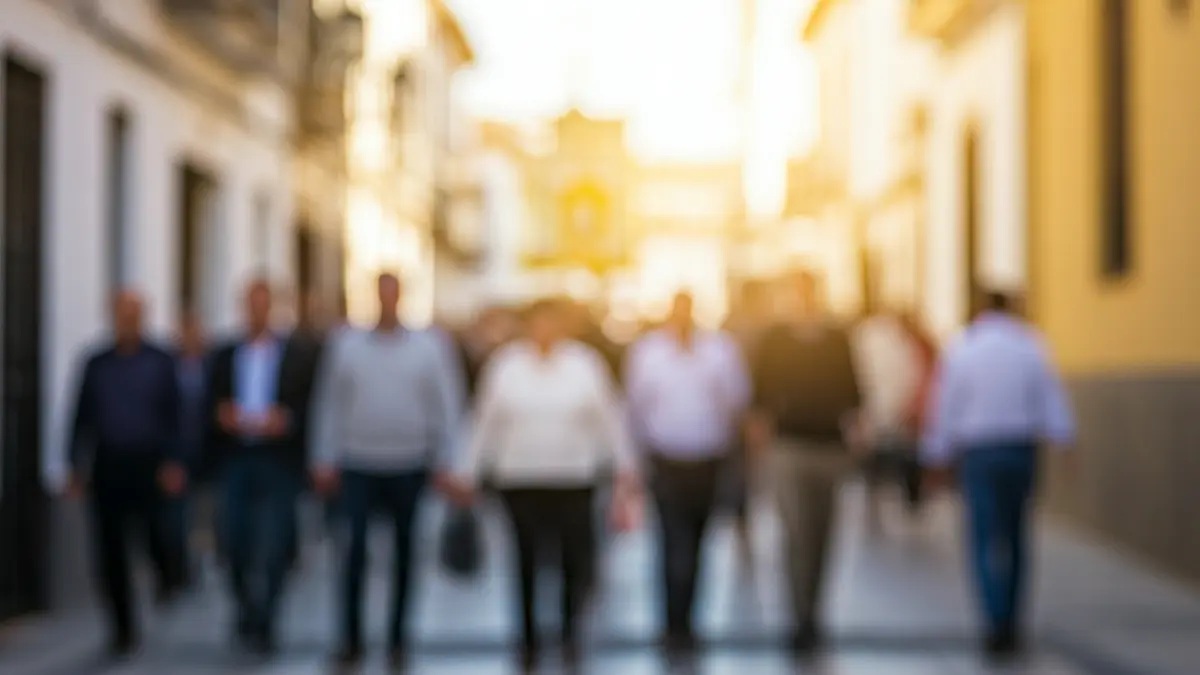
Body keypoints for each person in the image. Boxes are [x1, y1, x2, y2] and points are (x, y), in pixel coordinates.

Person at [456, 298, 638, 673]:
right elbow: (485, 420)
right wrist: (467, 471)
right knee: (526, 560)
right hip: (520, 479)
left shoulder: (585, 364)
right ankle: (528, 637)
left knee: (573, 559)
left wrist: (624, 465)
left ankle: (570, 632)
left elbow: (609, 418)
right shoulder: (505, 366)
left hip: (573, 477)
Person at [309, 272, 465, 671]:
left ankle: (398, 639)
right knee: (353, 552)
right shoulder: (346, 345)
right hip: (358, 462)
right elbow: (329, 402)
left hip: (409, 463)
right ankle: (351, 638)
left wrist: (449, 460)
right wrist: (324, 457)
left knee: (406, 555)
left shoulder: (430, 347)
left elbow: (447, 405)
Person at [921, 290, 1076, 662]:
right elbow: (1049, 395)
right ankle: (1012, 620)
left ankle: (994, 622)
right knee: (1017, 536)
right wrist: (1065, 439)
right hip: (1020, 448)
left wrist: (935, 455)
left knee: (983, 538)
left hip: (979, 451)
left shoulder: (963, 347)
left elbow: (946, 404)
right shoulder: (1029, 345)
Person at [624, 291, 751, 661]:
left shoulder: (719, 351)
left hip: (707, 460)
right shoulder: (648, 353)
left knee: (697, 542)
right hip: (665, 461)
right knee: (669, 541)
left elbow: (735, 401)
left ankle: (691, 619)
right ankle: (670, 622)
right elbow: (634, 406)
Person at [746, 270, 863, 657]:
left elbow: (852, 391)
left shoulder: (836, 338)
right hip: (789, 448)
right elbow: (760, 394)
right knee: (795, 534)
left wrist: (858, 434)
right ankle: (797, 617)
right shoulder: (776, 340)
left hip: (829, 448)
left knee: (823, 536)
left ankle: (815, 614)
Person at [66, 290, 186, 657]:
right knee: (110, 549)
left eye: (133, 313)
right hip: (109, 463)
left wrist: (174, 461)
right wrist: (75, 464)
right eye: (121, 313)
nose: (127, 320)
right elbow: (81, 415)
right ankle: (122, 627)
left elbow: (175, 416)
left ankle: (168, 576)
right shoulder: (97, 362)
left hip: (149, 463)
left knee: (155, 532)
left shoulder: (160, 361)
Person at [207, 278, 322, 655]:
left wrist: (286, 420)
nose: (257, 311)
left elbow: (311, 405)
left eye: (263, 304)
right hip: (236, 456)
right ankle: (246, 607)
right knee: (233, 541)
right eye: (250, 304)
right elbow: (207, 403)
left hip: (277, 459)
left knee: (273, 544)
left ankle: (268, 619)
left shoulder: (297, 354)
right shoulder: (225, 354)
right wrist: (221, 416)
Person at [853, 307, 930, 529]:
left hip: (883, 412)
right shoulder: (896, 343)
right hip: (890, 412)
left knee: (877, 459)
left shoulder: (870, 340)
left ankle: (880, 500)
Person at [721, 279, 774, 562]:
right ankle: (742, 520)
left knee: (748, 473)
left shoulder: (763, 327)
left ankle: (745, 519)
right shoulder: (736, 327)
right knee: (742, 472)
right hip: (741, 412)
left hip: (751, 411)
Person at [169, 311, 212, 589]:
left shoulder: (210, 366)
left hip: (205, 453)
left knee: (204, 514)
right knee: (178, 516)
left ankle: (200, 562)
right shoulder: (170, 368)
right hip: (179, 452)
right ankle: (181, 570)